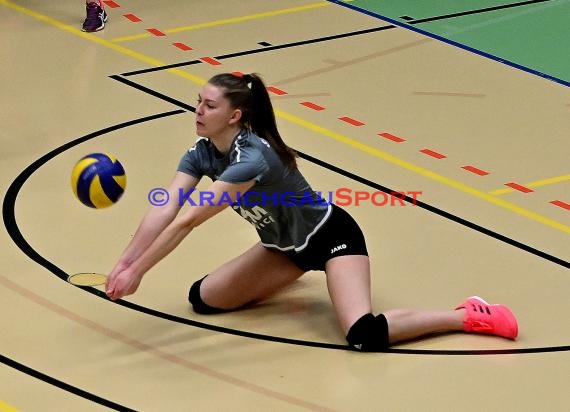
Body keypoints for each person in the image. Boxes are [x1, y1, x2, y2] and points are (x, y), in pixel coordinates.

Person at [105, 72, 518, 351]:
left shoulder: (251, 159)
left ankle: (467, 315)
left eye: (209, 106)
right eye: (198, 102)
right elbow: (166, 208)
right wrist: (125, 261)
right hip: (284, 248)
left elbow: (189, 219)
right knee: (203, 299)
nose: (198, 111)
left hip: (330, 238)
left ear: (234, 115)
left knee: (362, 334)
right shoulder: (201, 153)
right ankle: (291, 274)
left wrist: (140, 272)